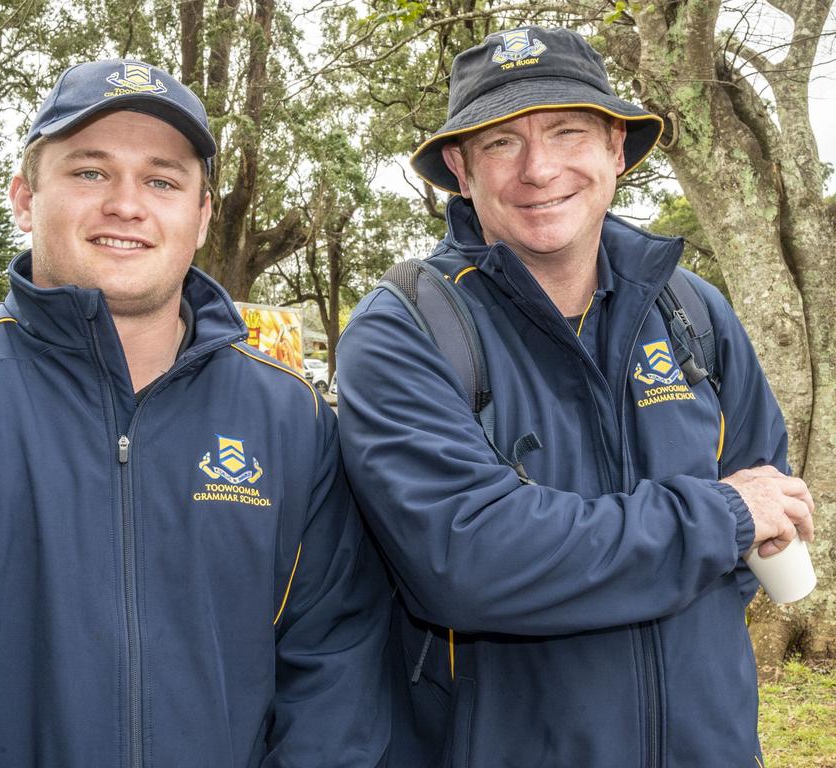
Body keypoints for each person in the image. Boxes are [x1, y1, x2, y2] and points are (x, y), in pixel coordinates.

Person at [0, 59, 390, 767]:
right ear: (26, 199)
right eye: (90, 172)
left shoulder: (292, 422)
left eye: (162, 180)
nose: (126, 203)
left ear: (201, 216)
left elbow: (336, 675)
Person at [337, 26, 814, 768]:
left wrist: (745, 520)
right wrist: (718, 517)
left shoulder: (694, 312)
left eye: (568, 131)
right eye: (501, 143)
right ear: (460, 169)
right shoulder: (405, 327)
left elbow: (766, 505)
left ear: (616, 150)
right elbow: (469, 558)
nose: (539, 168)